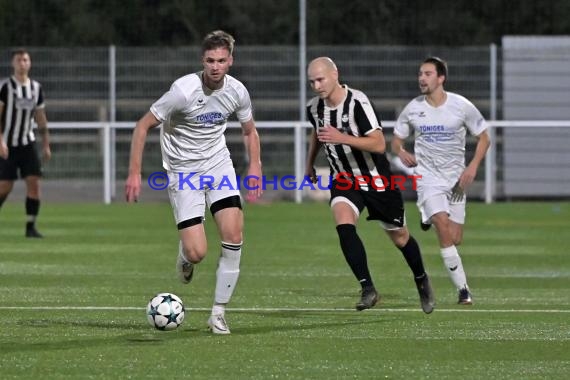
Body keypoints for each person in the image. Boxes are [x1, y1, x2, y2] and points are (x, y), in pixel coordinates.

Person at [125, 30, 262, 334]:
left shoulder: (237, 91)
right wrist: (135, 172)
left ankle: (218, 312)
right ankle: (185, 256)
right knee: (198, 252)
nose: (216, 66)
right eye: (210, 60)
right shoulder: (183, 91)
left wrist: (255, 166)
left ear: (230, 61)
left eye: (222, 60)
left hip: (218, 166)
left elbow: (250, 131)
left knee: (234, 233)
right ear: (203, 60)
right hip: (183, 171)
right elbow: (142, 125)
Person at [305, 57, 435, 314]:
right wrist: (309, 163)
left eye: (320, 79)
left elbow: (378, 144)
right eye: (311, 82)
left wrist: (342, 137)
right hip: (343, 179)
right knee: (343, 225)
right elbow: (318, 133)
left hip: (377, 181)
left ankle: (421, 278)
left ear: (335, 74)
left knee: (400, 237)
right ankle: (368, 288)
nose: (317, 86)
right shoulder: (314, 108)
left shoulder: (357, 103)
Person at [391, 57, 490, 305]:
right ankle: (463, 290)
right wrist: (401, 152)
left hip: (456, 180)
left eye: (427, 74)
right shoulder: (413, 108)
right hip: (427, 178)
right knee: (442, 227)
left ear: (441, 78)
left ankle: (428, 216)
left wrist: (473, 167)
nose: (421, 78)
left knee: (455, 238)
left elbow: (484, 138)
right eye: (419, 74)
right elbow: (396, 139)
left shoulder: (461, 106)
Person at [0, 48, 51, 238]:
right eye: (19, 60)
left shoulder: (36, 88)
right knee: (5, 186)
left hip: (28, 143)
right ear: (13, 63)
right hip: (8, 144)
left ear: (30, 63)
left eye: (26, 60)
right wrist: (1, 142)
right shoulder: (6, 88)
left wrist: (46, 144)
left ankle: (30, 227)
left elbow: (41, 118)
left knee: (34, 183)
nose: (23, 63)